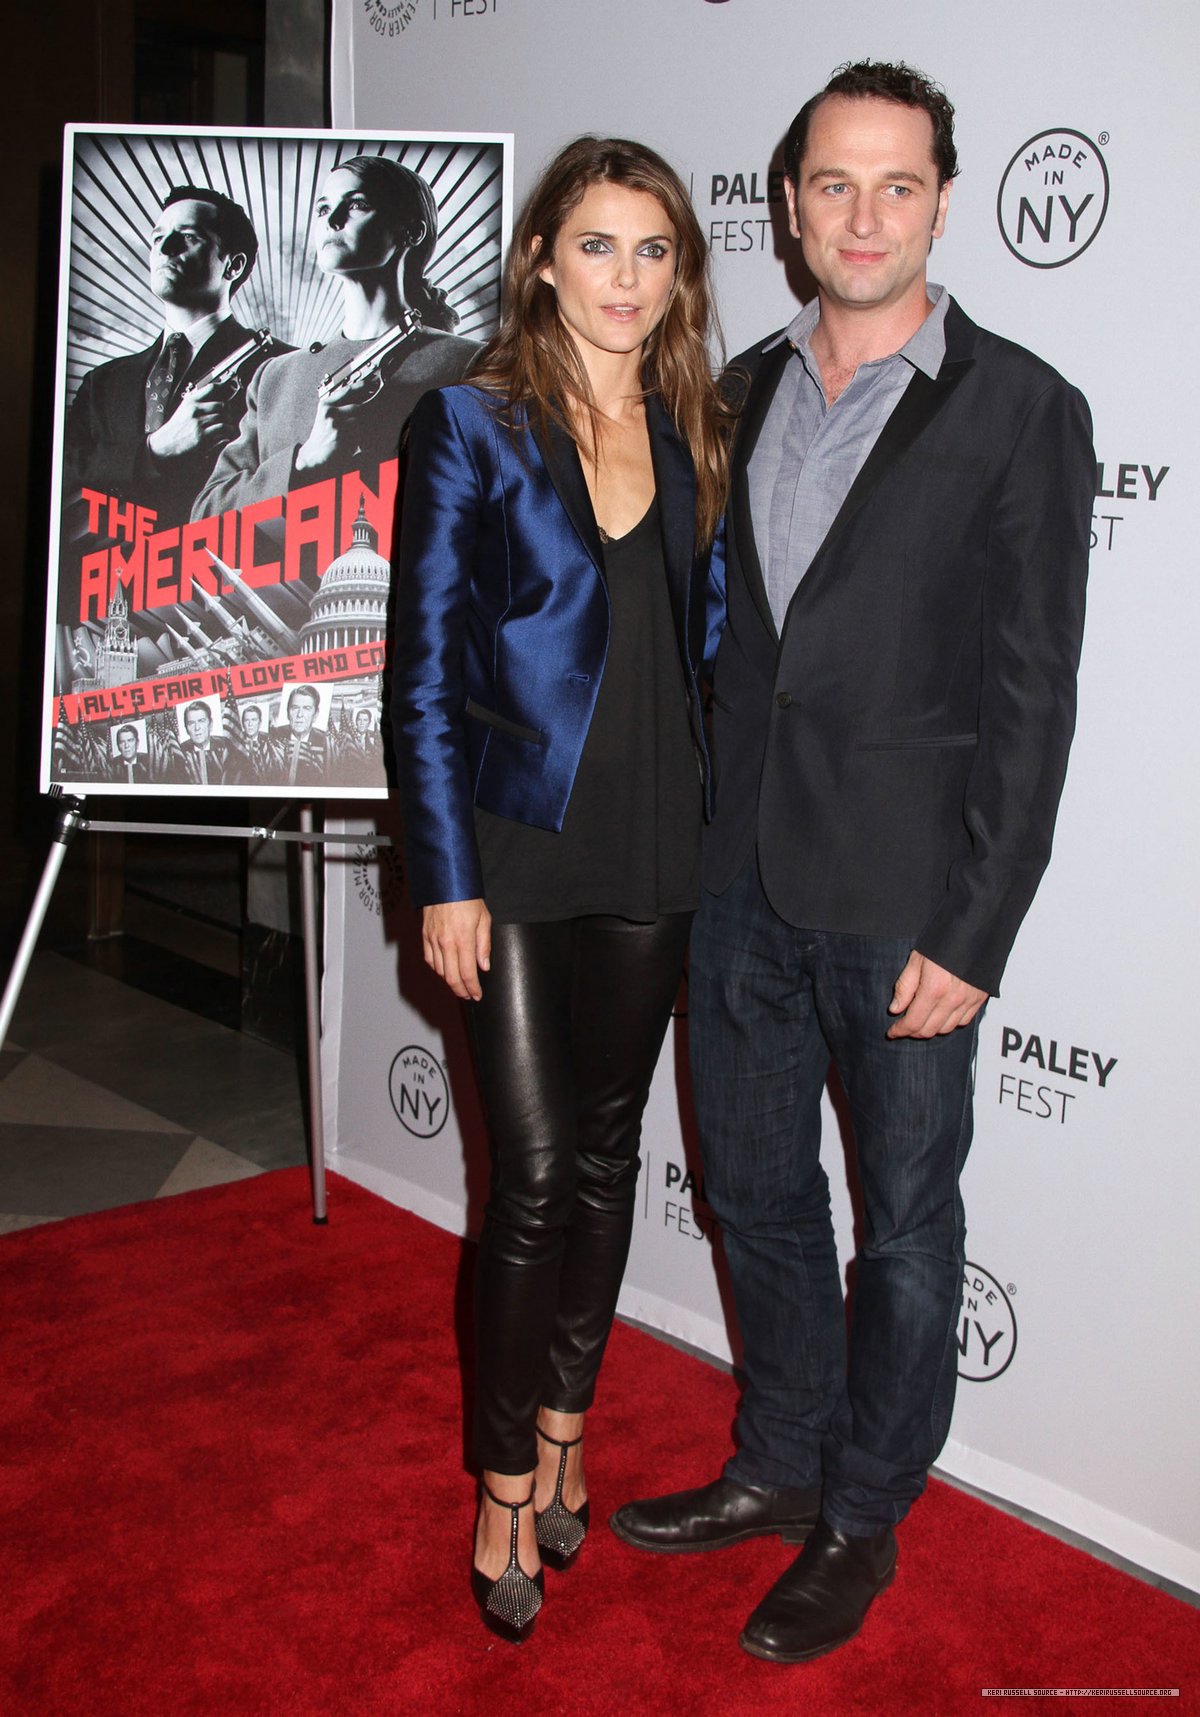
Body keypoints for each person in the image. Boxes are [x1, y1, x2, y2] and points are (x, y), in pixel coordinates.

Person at [610, 62, 1094, 1667]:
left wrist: (978, 927)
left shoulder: (1023, 407)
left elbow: (1035, 697)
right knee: (752, 1194)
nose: (864, 214)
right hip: (736, 875)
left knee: (902, 1222)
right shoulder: (733, 388)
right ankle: (779, 1459)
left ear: (943, 197)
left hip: (904, 905)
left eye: (897, 184)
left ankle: (865, 1511)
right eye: (833, 184)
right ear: (790, 203)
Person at [391, 135, 730, 1644]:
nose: (625, 279)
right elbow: (420, 675)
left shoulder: (693, 420)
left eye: (652, 252)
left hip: (660, 845)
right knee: (529, 1176)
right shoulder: (468, 423)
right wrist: (444, 877)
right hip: (519, 848)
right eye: (598, 246)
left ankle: (576, 1418)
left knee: (606, 1156)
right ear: (543, 259)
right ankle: (504, 1475)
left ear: (680, 274)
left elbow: (706, 651)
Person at [194, 155, 478, 521]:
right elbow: (205, 516)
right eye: (323, 208)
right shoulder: (274, 379)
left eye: (357, 204)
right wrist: (305, 459)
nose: (332, 220)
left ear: (412, 231)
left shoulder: (474, 365)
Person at [64, 186, 280, 532]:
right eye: (158, 238)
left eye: (189, 237)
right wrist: (153, 451)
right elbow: (63, 476)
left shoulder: (281, 366)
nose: (165, 249)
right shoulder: (101, 383)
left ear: (234, 265)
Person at [277, 684, 328, 787]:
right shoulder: (273, 737)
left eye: (307, 708)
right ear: (288, 712)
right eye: (295, 708)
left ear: (316, 715)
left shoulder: (326, 743)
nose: (300, 714)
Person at [173, 699, 229, 787]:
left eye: (201, 721)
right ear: (186, 729)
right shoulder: (180, 754)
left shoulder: (225, 746)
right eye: (191, 723)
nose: (197, 728)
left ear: (210, 724)